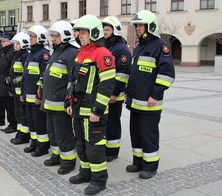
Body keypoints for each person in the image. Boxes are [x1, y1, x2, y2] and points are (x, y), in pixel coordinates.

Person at [66, 15, 115, 195]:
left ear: (94, 33)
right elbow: (73, 81)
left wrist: (98, 110)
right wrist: (68, 101)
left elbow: (107, 84)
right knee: (81, 144)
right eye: (79, 32)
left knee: (94, 147)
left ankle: (99, 180)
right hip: (78, 110)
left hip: (93, 112)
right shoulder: (82, 53)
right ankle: (85, 173)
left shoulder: (103, 54)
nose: (80, 35)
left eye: (84, 32)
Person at [125, 10, 175, 179]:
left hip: (149, 102)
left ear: (150, 26)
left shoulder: (161, 46)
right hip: (136, 102)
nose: (137, 28)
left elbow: (167, 75)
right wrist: (128, 93)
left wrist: (155, 95)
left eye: (140, 25)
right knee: (136, 134)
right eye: (136, 25)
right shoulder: (140, 46)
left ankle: (150, 165)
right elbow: (134, 73)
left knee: (148, 135)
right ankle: (138, 162)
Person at [41, 21, 79, 175]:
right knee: (53, 133)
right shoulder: (56, 51)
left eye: (56, 35)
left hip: (60, 104)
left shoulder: (72, 53)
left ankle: (68, 162)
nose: (53, 38)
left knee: (64, 134)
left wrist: (68, 99)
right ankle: (56, 156)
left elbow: (73, 79)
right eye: (52, 35)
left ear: (65, 35)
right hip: (50, 103)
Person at [101, 16, 131, 162]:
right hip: (104, 94)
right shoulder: (106, 47)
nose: (104, 32)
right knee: (105, 122)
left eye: (107, 29)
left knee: (113, 123)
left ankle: (112, 152)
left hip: (114, 96)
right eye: (104, 29)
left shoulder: (121, 49)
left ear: (115, 31)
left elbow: (122, 75)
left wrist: (114, 94)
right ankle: (106, 148)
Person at [21, 25, 50, 157]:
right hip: (27, 95)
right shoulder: (31, 53)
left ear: (40, 38)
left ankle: (42, 146)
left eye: (33, 37)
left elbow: (43, 77)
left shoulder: (43, 54)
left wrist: (39, 95)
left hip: (36, 97)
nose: (30, 39)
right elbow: (26, 76)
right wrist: (22, 93)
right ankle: (34, 143)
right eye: (30, 36)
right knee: (31, 122)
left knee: (39, 123)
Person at [9, 32, 31, 144]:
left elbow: (25, 75)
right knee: (18, 113)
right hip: (16, 91)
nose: (15, 46)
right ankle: (19, 132)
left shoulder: (25, 56)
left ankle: (24, 136)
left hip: (22, 91)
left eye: (17, 43)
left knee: (23, 114)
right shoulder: (17, 55)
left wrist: (18, 81)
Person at [0, 33, 17, 133]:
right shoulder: (4, 52)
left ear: (9, 42)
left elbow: (11, 70)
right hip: (2, 84)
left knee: (10, 106)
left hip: (7, 85)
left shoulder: (11, 52)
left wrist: (8, 83)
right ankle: (10, 123)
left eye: (3, 41)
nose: (2, 43)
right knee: (6, 105)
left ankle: (13, 125)